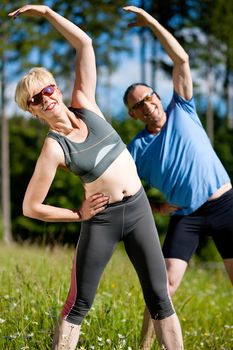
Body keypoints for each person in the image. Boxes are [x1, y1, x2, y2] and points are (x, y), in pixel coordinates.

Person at [9, 5, 184, 350]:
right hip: (101, 221)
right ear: (31, 110)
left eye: (48, 90)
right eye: (35, 99)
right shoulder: (53, 149)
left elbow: (85, 44)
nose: (45, 99)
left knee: (160, 298)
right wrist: (77, 215)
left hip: (138, 211)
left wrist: (46, 12)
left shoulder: (84, 102)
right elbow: (31, 207)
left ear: (56, 90)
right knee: (78, 304)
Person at [123, 5, 233, 350]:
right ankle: (143, 346)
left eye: (149, 97)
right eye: (138, 105)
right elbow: (121, 187)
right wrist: (156, 207)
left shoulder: (182, 108)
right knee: (163, 287)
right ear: (133, 114)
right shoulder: (137, 149)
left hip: (225, 203)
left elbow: (182, 59)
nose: (147, 105)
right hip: (186, 216)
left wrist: (152, 23)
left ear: (157, 96)